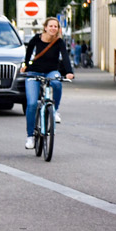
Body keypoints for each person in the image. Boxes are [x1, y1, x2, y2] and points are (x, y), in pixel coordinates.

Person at [22, 16, 74, 149]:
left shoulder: (59, 42)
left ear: (58, 29)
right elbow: (28, 55)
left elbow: (65, 57)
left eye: (55, 26)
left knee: (57, 82)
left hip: (51, 71)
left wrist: (69, 71)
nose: (53, 28)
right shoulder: (36, 39)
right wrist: (25, 65)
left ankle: (55, 110)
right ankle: (30, 137)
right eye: (51, 26)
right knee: (32, 103)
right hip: (34, 72)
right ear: (45, 27)